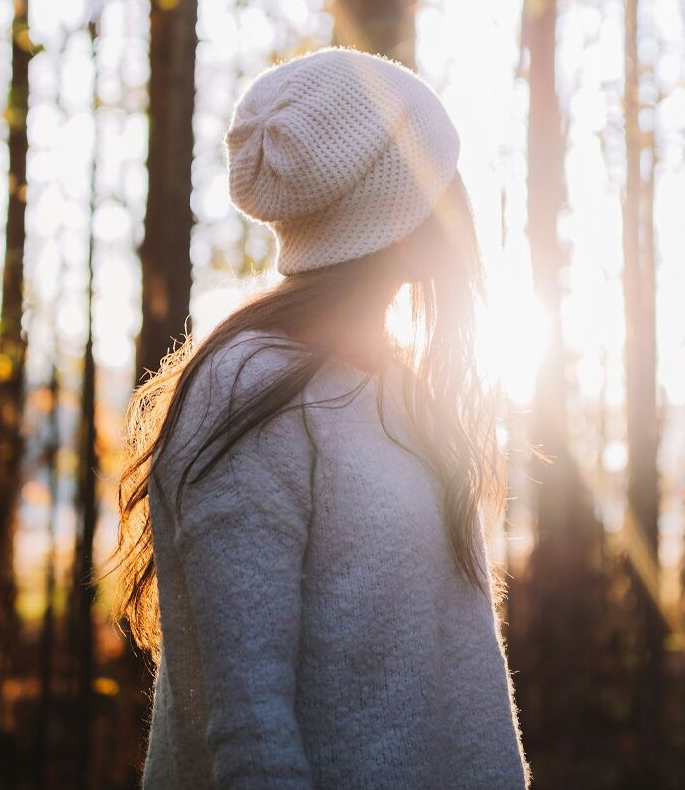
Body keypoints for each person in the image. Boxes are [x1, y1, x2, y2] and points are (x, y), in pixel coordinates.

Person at [114, 47, 531, 789]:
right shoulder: (248, 392)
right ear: (400, 212)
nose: (460, 194)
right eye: (442, 174)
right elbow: (250, 732)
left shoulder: (398, 392)